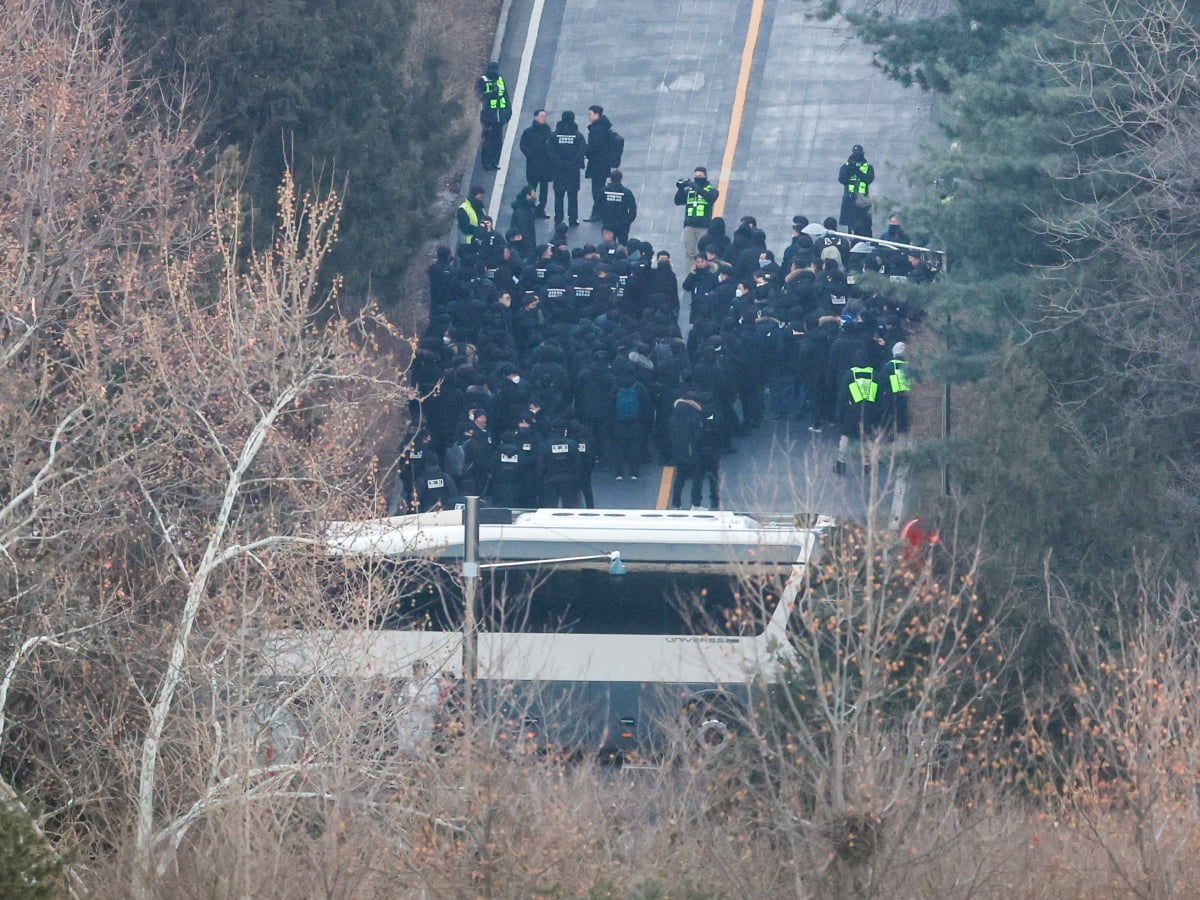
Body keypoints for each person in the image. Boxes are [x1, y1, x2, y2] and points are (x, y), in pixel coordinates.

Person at [546, 111, 585, 227]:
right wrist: (572, 162)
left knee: (558, 195)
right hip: (573, 170)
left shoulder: (554, 135)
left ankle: (558, 218)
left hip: (558, 170)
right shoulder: (578, 135)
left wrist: (558, 162)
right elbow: (582, 150)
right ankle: (573, 219)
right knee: (572, 195)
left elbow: (549, 150)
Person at [396, 660, 442, 758]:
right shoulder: (408, 685)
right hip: (409, 722)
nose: (417, 671)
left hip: (424, 721)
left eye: (419, 668)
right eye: (415, 668)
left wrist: (422, 705)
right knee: (406, 751)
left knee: (422, 751)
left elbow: (435, 704)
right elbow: (400, 702)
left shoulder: (431, 685)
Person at [674, 166, 719, 263]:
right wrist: (681, 189)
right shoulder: (690, 191)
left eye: (700, 176)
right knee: (689, 253)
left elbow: (710, 198)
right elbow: (678, 201)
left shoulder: (711, 190)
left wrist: (695, 186)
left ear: (705, 176)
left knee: (702, 252)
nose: (697, 178)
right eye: (696, 176)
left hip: (703, 226)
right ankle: (691, 272)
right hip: (689, 225)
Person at [584, 105, 617, 221]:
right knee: (599, 188)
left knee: (597, 189)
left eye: (590, 114)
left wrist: (585, 150)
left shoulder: (598, 129)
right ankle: (600, 211)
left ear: (597, 115)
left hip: (597, 164)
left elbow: (595, 147)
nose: (589, 116)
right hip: (603, 164)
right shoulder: (603, 127)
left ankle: (598, 212)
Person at [477, 61, 512, 171]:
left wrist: (508, 111)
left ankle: (494, 162)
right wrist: (492, 93)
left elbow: (505, 96)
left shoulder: (500, 79)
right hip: (488, 116)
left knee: (497, 142)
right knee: (487, 141)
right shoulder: (482, 80)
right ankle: (486, 163)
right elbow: (479, 95)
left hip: (499, 116)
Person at [518, 109, 553, 217]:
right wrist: (531, 155)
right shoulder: (528, 132)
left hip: (546, 166)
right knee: (532, 188)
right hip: (533, 166)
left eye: (545, 116)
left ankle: (541, 209)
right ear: (535, 117)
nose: (544, 118)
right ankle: (530, 209)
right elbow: (523, 146)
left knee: (544, 189)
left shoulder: (548, 131)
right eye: (542, 116)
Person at [877, 341, 911, 445]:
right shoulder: (910, 367)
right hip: (907, 401)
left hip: (890, 400)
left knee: (887, 424)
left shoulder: (888, 366)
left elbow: (882, 383)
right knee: (903, 426)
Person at [838, 144, 875, 236]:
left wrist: (857, 171)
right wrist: (849, 169)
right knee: (851, 227)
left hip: (863, 201)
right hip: (850, 200)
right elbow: (842, 179)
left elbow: (868, 179)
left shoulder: (868, 167)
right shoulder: (846, 166)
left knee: (865, 226)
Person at [599, 169, 637, 246]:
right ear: (621, 179)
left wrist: (604, 218)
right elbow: (633, 208)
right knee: (622, 246)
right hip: (622, 225)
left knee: (608, 246)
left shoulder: (603, 191)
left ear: (610, 178)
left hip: (608, 224)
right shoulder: (626, 192)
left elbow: (598, 206)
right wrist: (627, 221)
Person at [456, 186, 487, 253]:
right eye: (480, 197)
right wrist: (479, 230)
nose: (481, 200)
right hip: (468, 244)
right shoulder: (463, 209)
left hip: (480, 241)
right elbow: (464, 227)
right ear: (474, 196)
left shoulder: (480, 208)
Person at [509, 184, 539, 252]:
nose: (535, 197)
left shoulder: (526, 207)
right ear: (527, 196)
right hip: (524, 245)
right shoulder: (522, 212)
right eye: (533, 195)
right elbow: (525, 231)